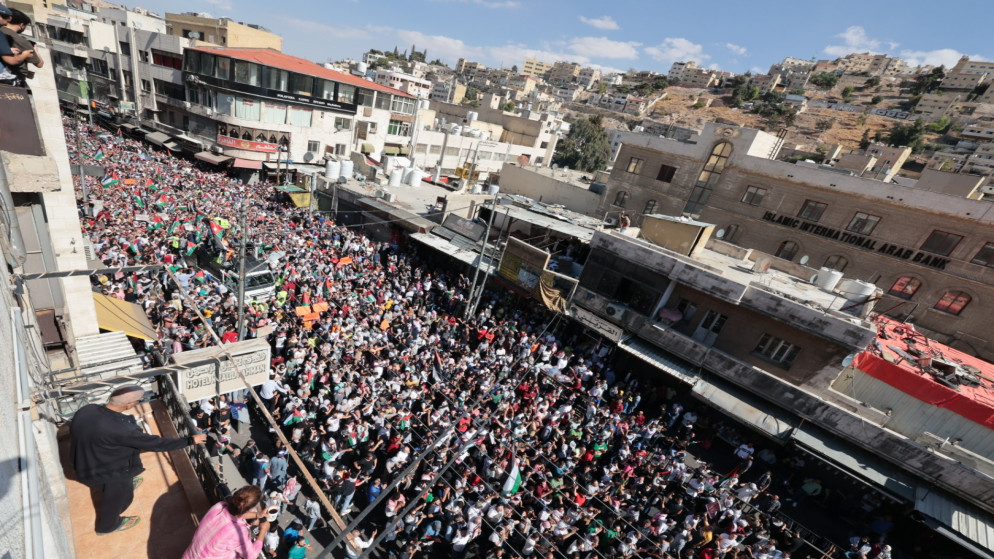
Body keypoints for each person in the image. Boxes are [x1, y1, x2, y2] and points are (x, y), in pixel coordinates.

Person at [70, 385, 206, 534]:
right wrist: (190, 440)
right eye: (139, 400)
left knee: (122, 487)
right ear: (129, 404)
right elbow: (157, 444)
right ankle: (107, 527)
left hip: (82, 463)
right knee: (119, 499)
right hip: (108, 473)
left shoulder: (87, 410)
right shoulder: (123, 430)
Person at [182, 485, 269, 559]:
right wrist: (263, 530)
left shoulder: (219, 506)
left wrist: (258, 515)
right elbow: (252, 555)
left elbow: (236, 512)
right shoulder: (238, 531)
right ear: (250, 508)